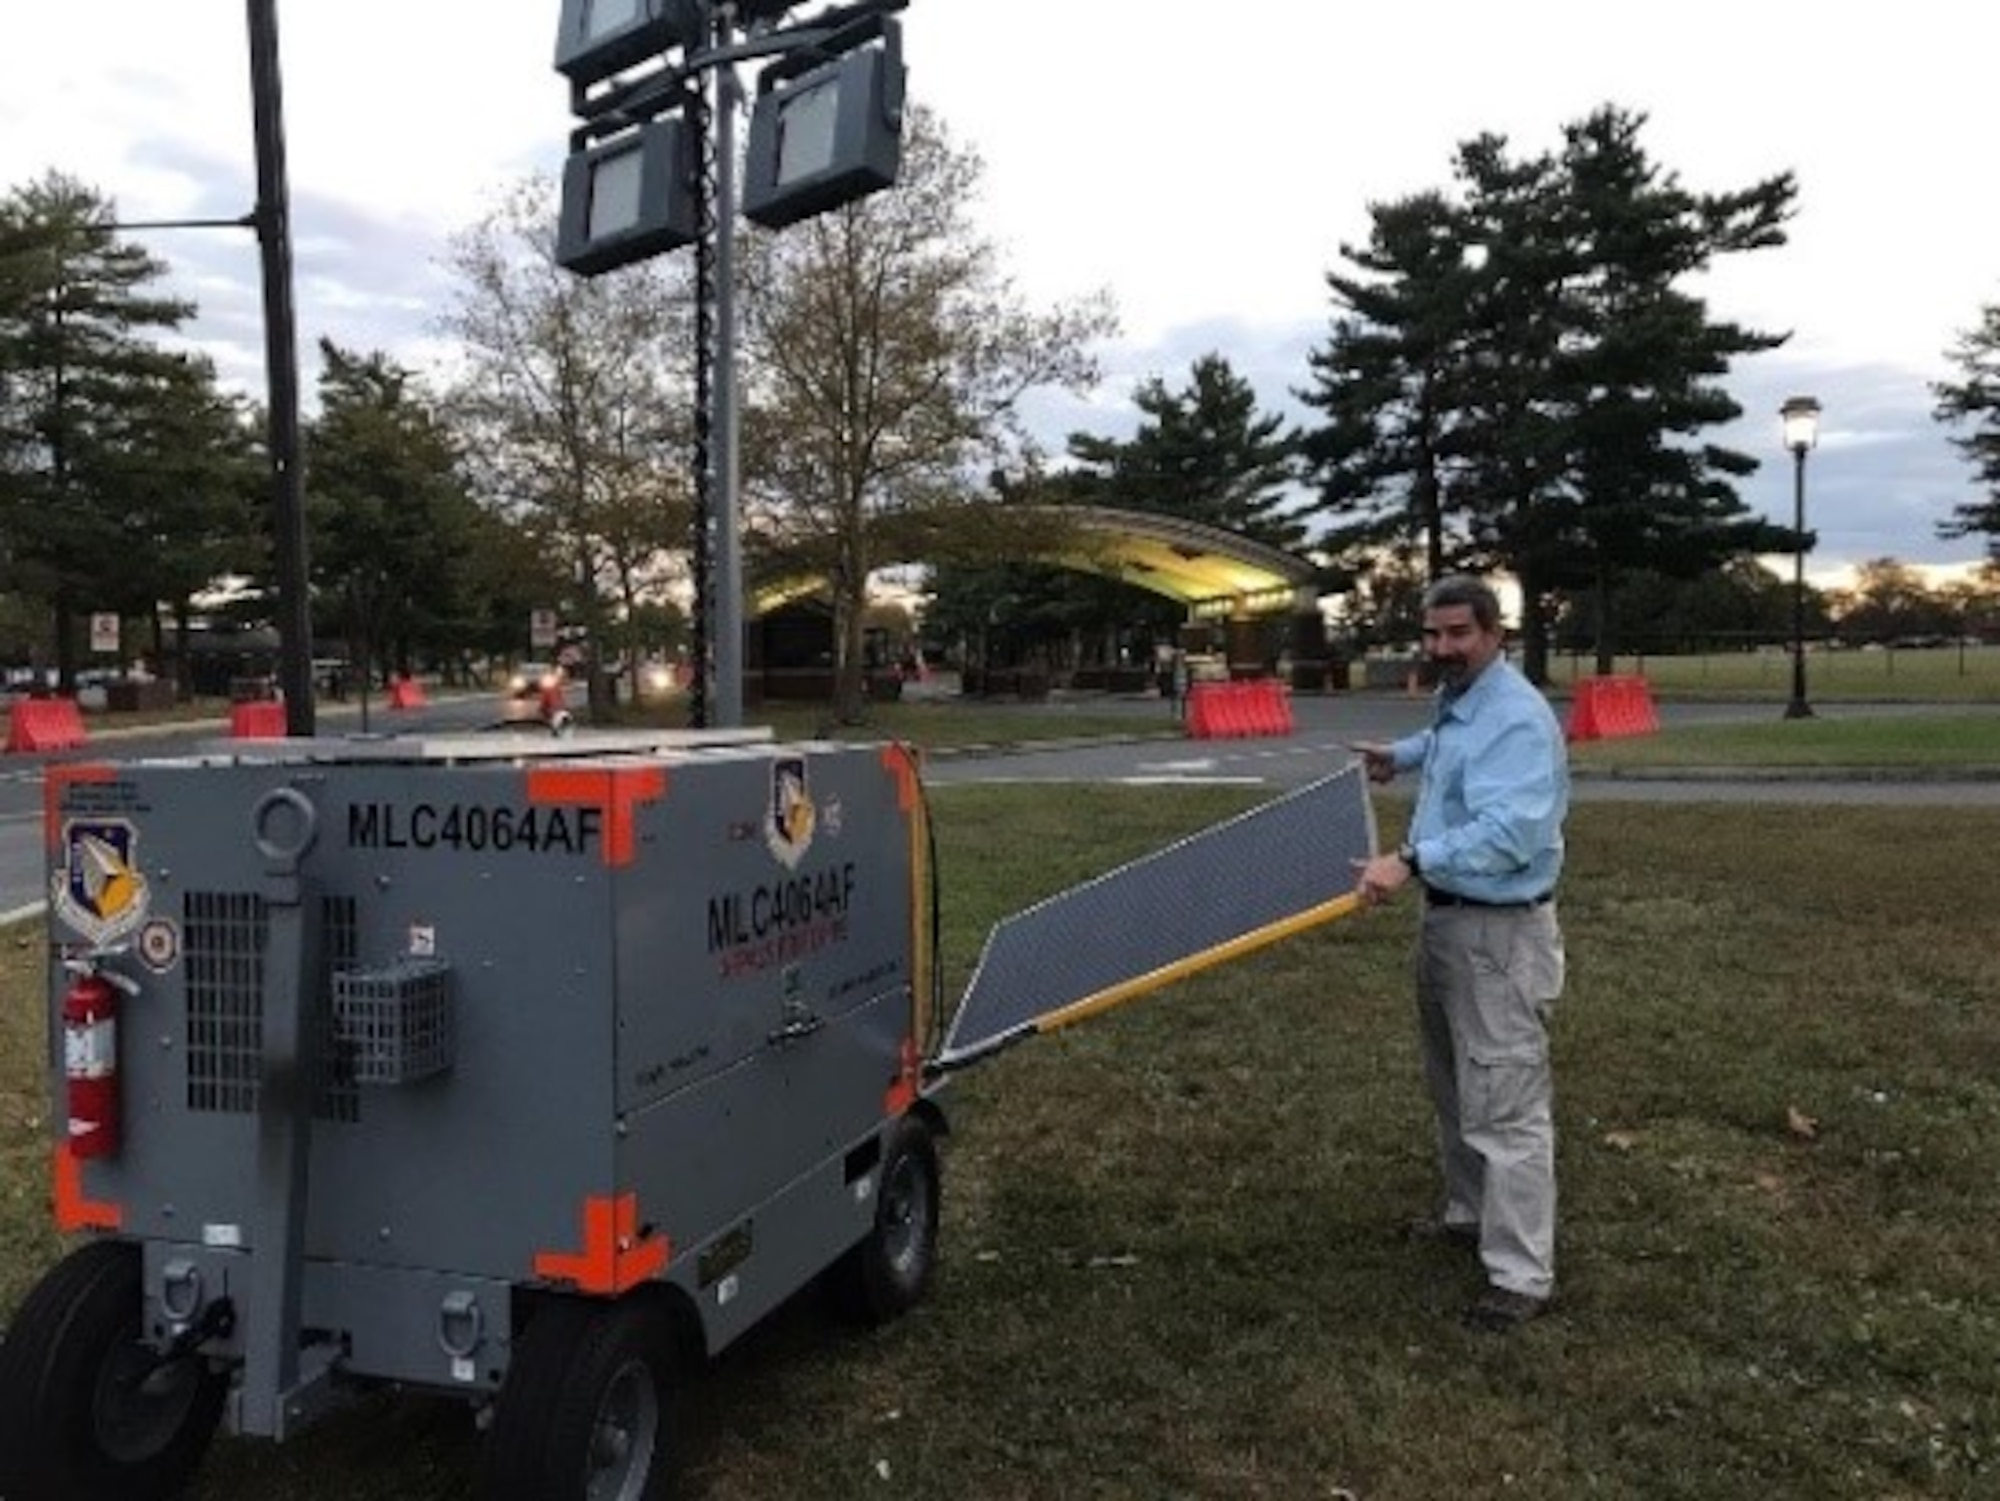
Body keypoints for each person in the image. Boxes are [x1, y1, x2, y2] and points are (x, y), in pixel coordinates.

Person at [1351, 574, 1570, 1333]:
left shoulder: (1516, 717)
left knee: (1504, 1103)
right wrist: (1401, 754)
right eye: (1433, 633)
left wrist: (1409, 858)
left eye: (1458, 635)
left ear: (1494, 634)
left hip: (1497, 937)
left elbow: (1512, 830)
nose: (1442, 647)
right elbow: (1451, 745)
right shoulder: (1464, 701)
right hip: (1448, 924)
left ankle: (1519, 1275)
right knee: (1455, 1083)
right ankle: (1468, 1214)